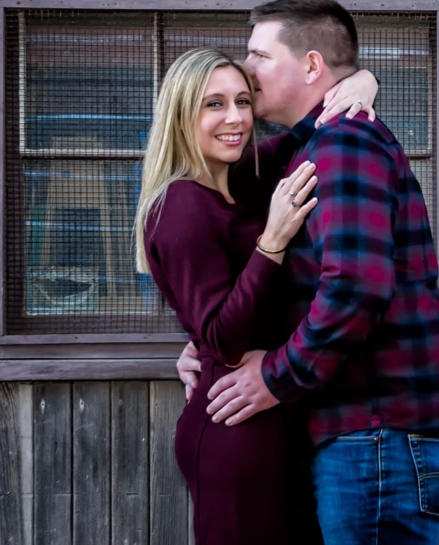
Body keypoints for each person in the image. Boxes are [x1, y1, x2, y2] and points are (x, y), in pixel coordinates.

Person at [180, 0, 439, 545]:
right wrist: (210, 343)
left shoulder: (343, 146)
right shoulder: (320, 141)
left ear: (312, 66)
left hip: (382, 430)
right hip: (377, 427)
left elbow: (355, 290)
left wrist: (274, 377)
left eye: (259, 56)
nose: (247, 71)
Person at [135, 46, 378, 544]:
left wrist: (364, 81)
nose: (236, 118)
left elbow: (303, 131)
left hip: (272, 420)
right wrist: (272, 242)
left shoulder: (238, 179)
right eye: (214, 104)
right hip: (235, 429)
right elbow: (223, 338)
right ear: (182, 113)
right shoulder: (181, 204)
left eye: (243, 102)